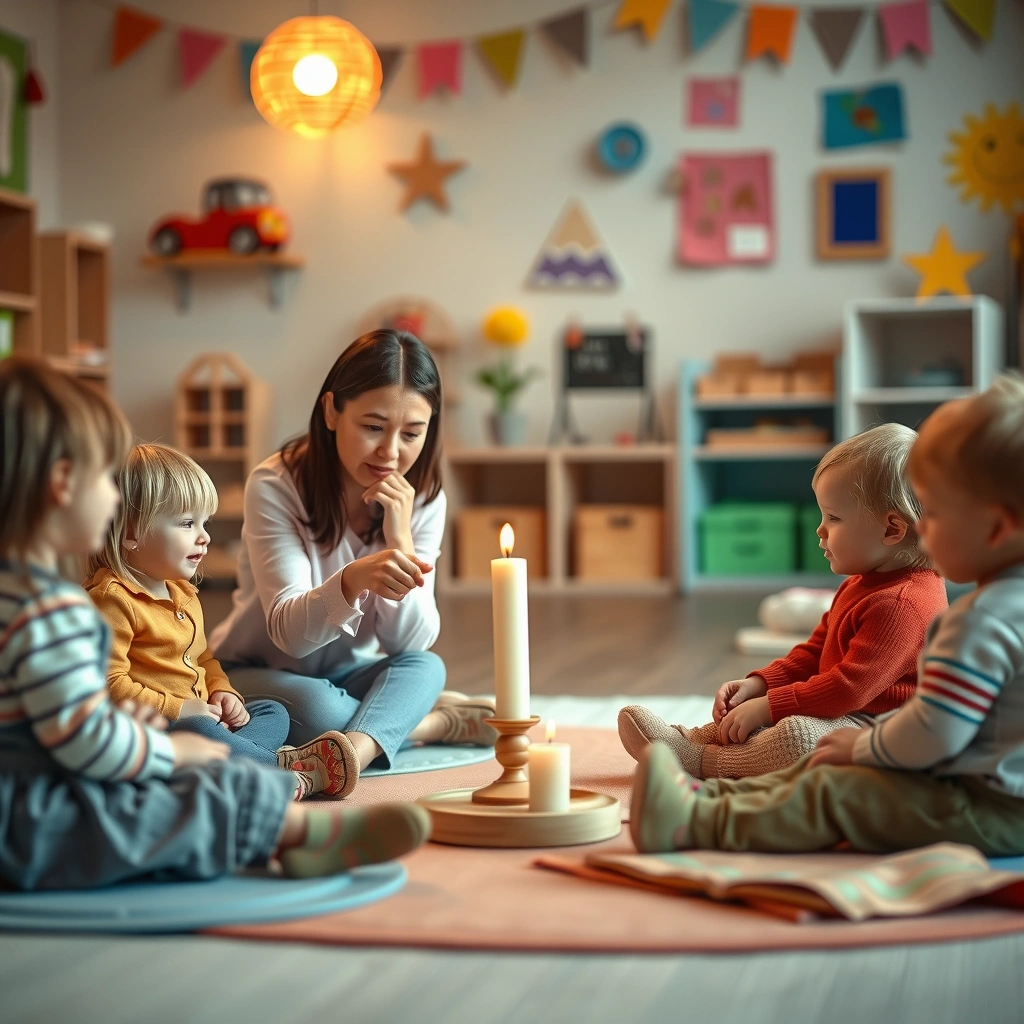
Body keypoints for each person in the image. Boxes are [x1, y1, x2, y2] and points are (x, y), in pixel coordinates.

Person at [0, 356, 429, 891]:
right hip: (33, 821)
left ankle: (277, 801)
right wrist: (169, 749)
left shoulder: (27, 600)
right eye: (107, 483)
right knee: (192, 795)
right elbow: (85, 740)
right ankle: (295, 830)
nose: (114, 503)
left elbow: (69, 717)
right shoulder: (52, 612)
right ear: (63, 484)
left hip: (36, 794)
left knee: (223, 751)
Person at [631, 375, 1024, 856]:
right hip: (977, 789)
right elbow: (817, 652)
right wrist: (764, 684)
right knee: (819, 766)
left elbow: (933, 732)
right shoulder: (991, 609)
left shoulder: (974, 620)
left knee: (834, 789)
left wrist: (858, 750)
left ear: (997, 527)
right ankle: (709, 788)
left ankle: (695, 822)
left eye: (936, 514)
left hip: (991, 808)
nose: (926, 528)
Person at [210, 330, 495, 795]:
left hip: (346, 671)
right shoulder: (276, 484)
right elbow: (290, 634)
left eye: (412, 433)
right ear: (330, 411)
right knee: (320, 710)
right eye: (373, 427)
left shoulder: (422, 497)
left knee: (426, 669)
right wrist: (354, 580)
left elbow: (410, 641)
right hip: (251, 668)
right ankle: (429, 723)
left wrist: (398, 540)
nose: (391, 452)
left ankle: (352, 753)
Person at [619, 423, 947, 779]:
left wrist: (770, 707)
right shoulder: (863, 583)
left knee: (796, 738)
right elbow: (815, 652)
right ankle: (690, 740)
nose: (820, 529)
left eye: (834, 518)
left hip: (881, 735)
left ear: (891, 530)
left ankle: (700, 762)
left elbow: (846, 689)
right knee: (769, 716)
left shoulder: (902, 603)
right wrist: (761, 686)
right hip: (843, 713)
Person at [86, 443, 352, 800]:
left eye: (204, 522)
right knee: (198, 729)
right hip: (153, 730)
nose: (205, 536)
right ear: (131, 532)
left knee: (272, 712)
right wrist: (179, 709)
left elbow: (204, 660)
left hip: (202, 718)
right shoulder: (111, 599)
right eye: (186, 523)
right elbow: (107, 684)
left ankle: (226, 766)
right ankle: (278, 771)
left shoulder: (183, 592)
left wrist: (222, 692)